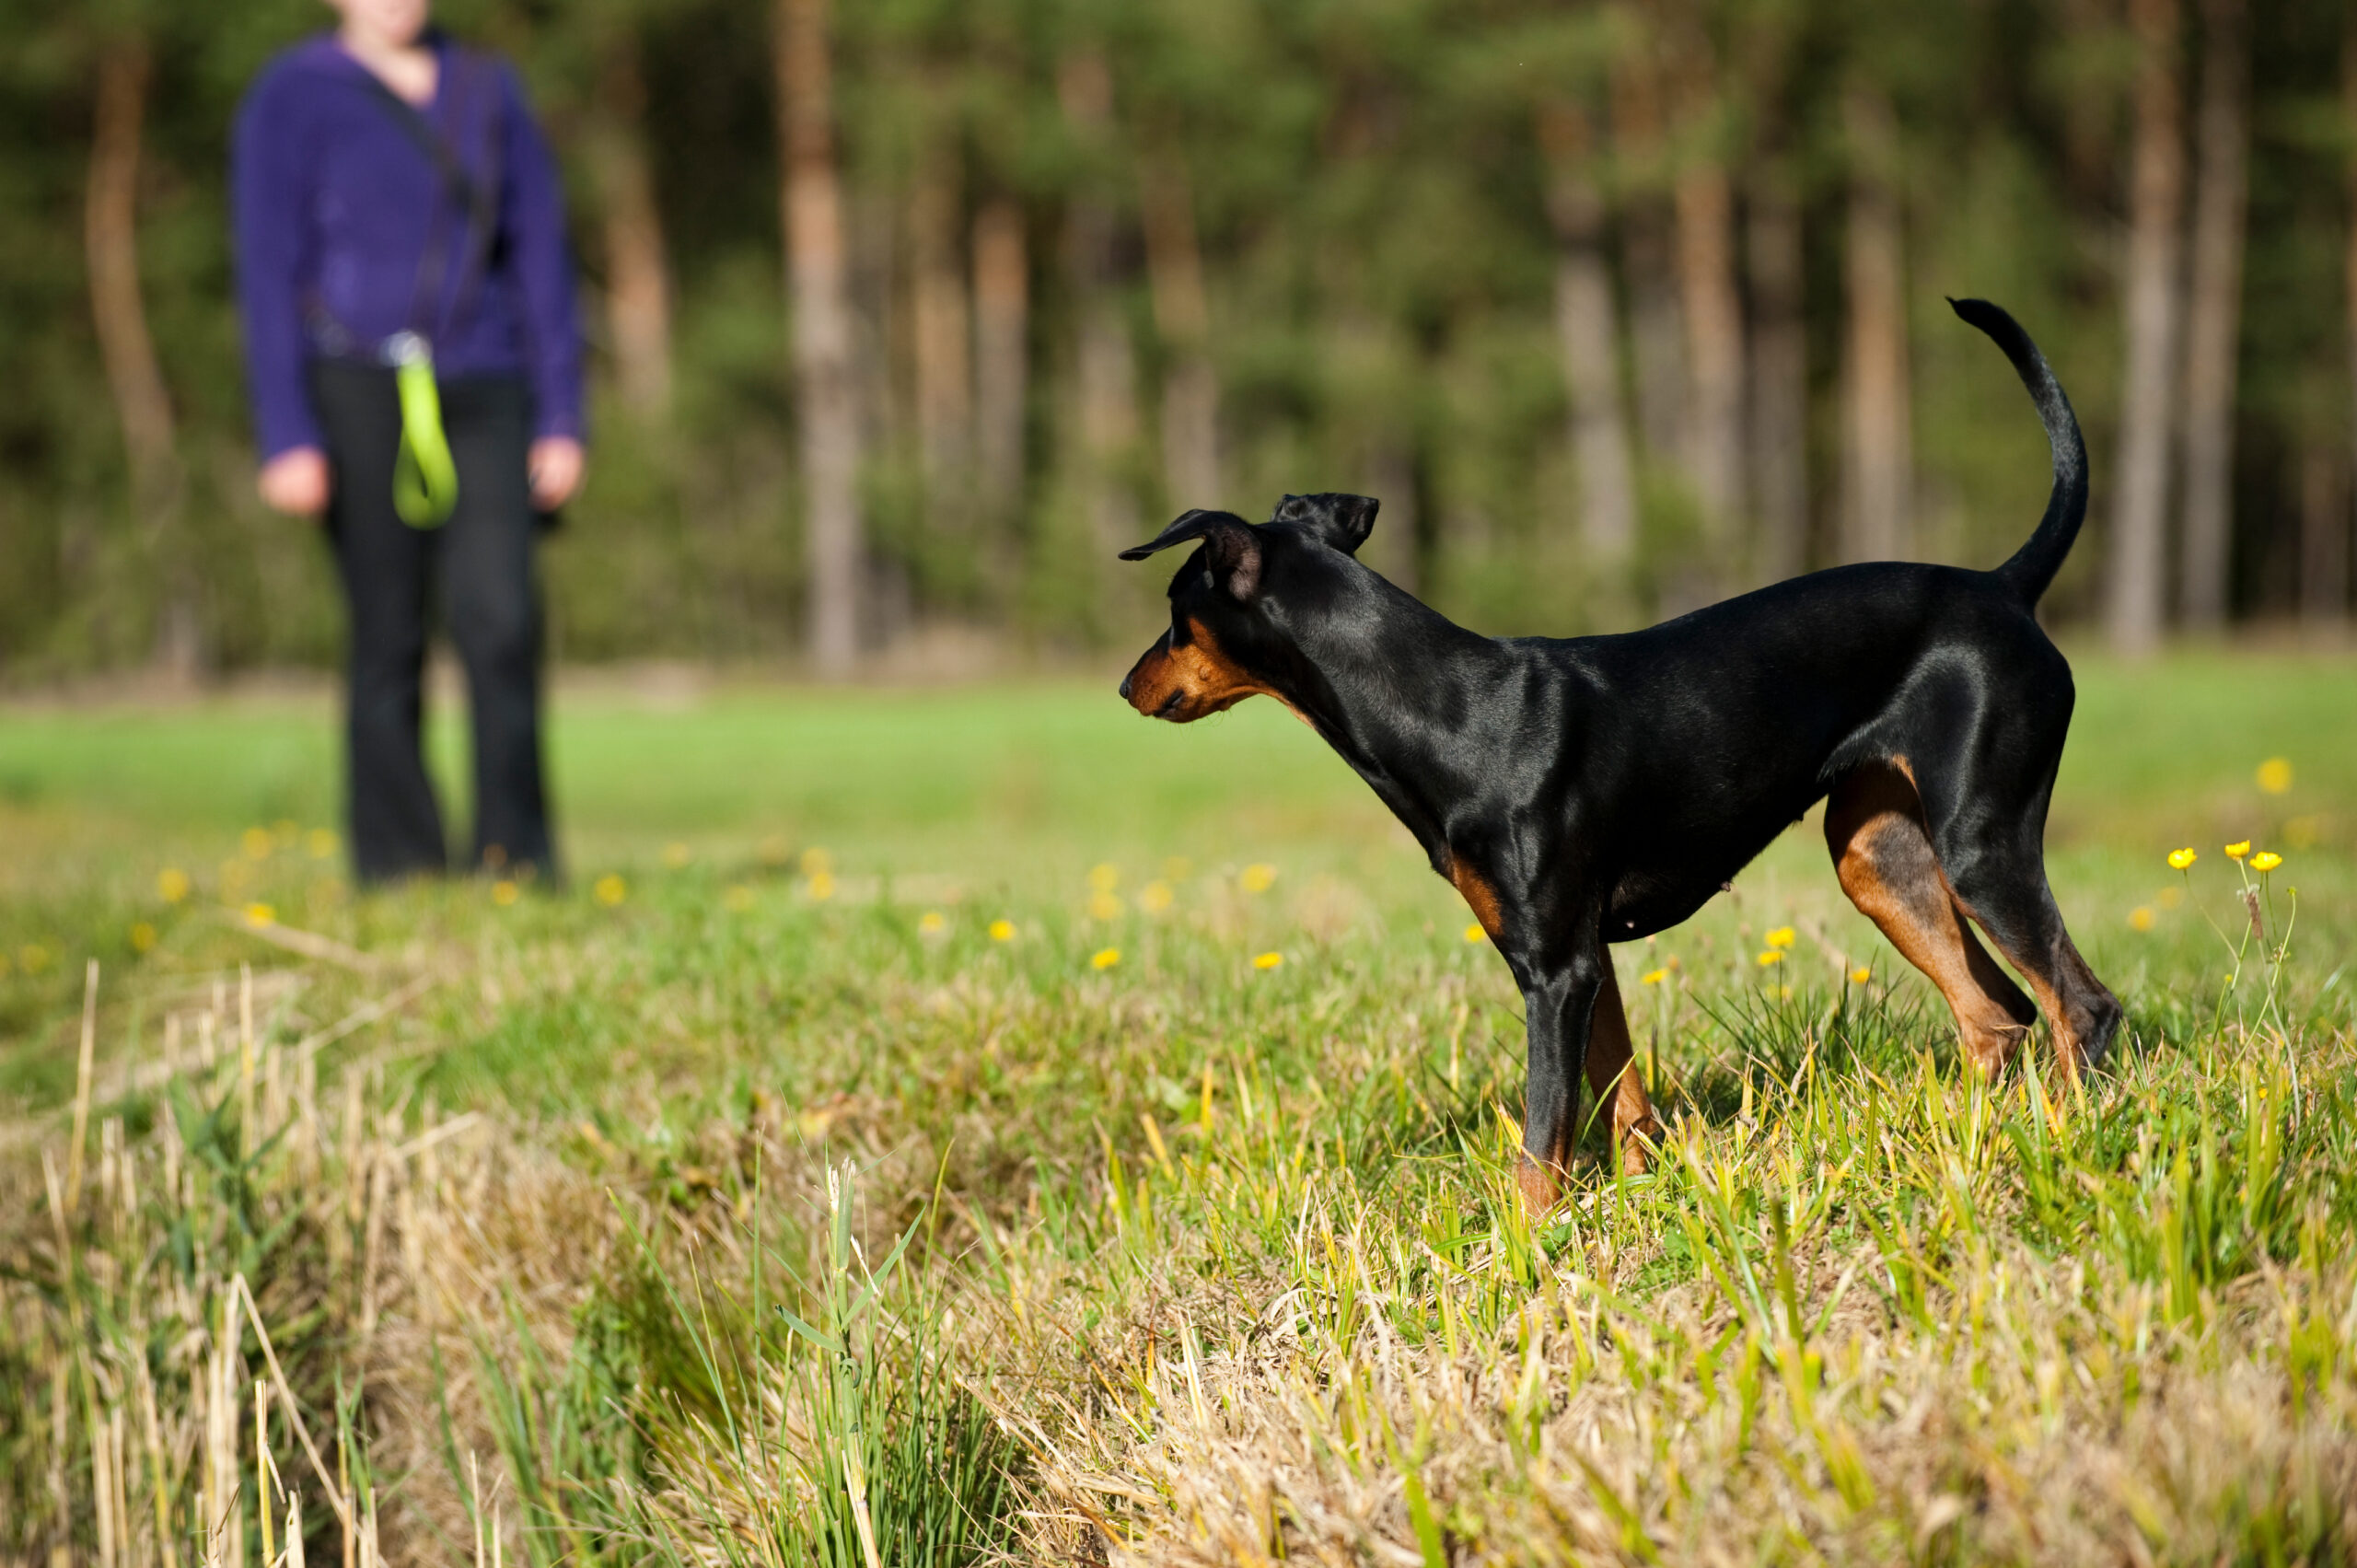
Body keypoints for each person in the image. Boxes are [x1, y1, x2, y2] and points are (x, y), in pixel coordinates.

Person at [233, 0, 583, 885]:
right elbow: (266, 267)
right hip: (353, 385)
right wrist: (287, 433)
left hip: (484, 381)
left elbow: (540, 252)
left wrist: (562, 416)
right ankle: (399, 866)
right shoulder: (294, 93)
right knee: (386, 632)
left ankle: (518, 857)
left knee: (501, 619)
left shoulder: (486, 87)